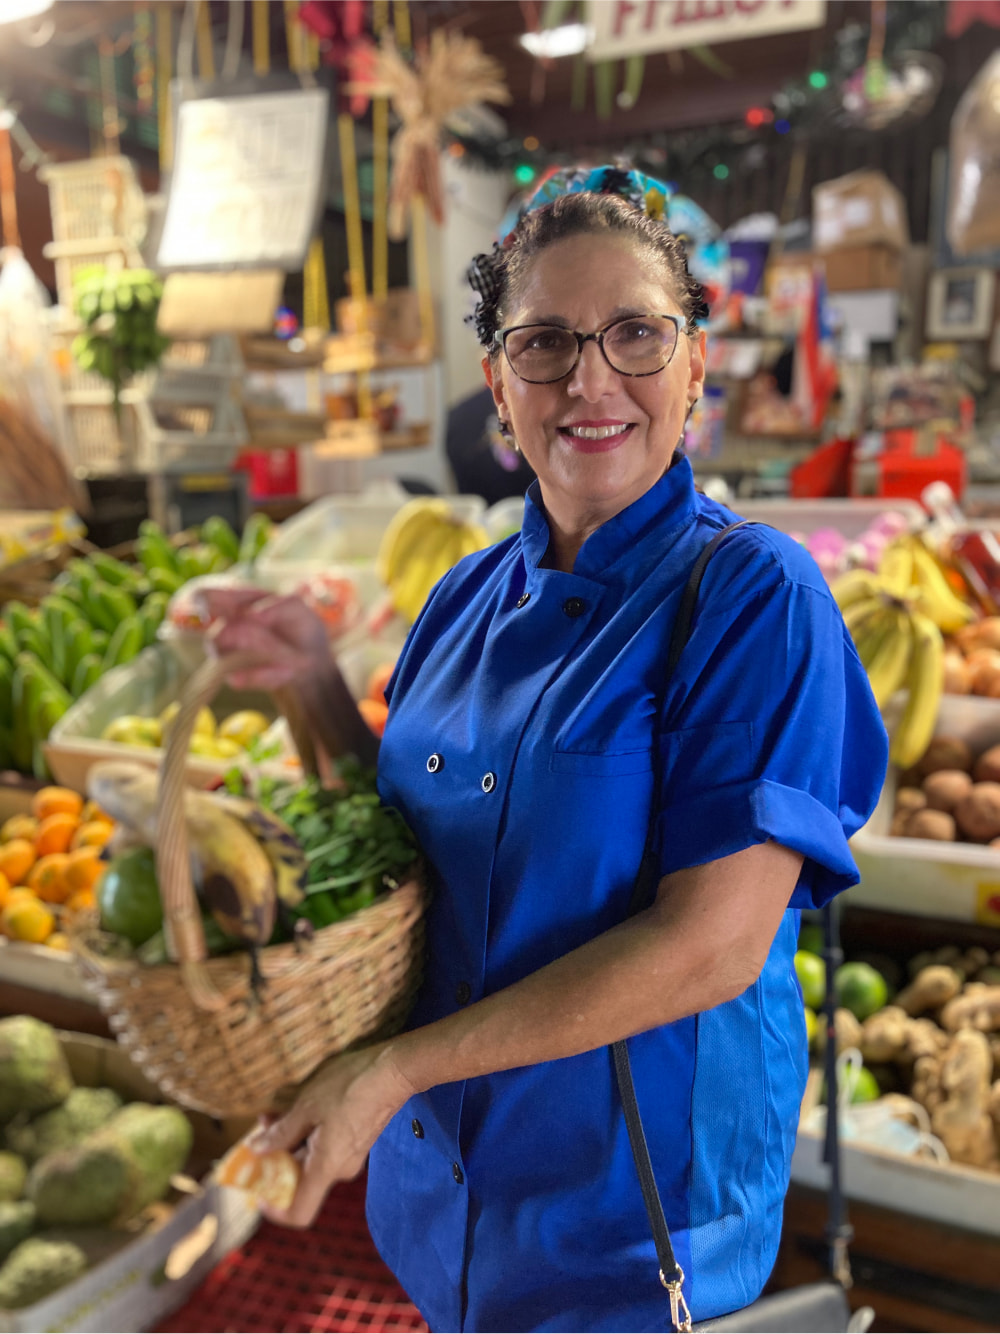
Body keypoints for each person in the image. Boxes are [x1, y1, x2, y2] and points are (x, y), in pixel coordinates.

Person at [209, 165, 888, 1333]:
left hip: (624, 1222)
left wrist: (397, 1067)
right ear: (496, 386)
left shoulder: (752, 594)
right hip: (443, 1200)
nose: (589, 379)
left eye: (635, 334)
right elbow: (397, 853)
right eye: (544, 344)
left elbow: (710, 947)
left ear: (693, 366)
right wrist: (312, 687)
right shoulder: (461, 597)